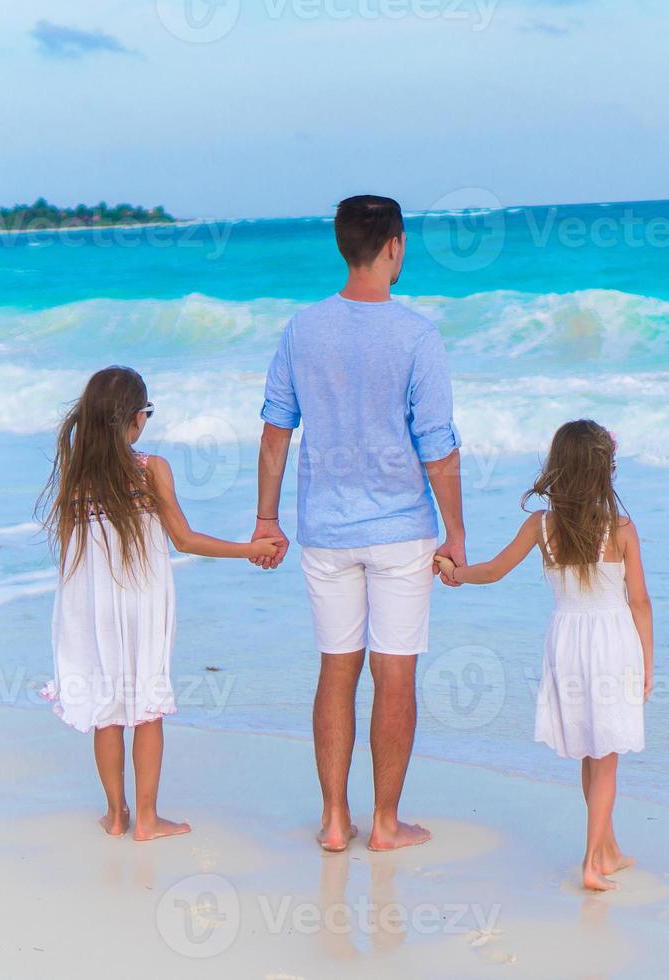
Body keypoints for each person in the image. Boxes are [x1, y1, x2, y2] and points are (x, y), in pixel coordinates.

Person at [252, 195, 465, 853]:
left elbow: (274, 431)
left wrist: (266, 518)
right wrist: (455, 533)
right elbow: (437, 444)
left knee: (336, 670)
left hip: (325, 529)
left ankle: (336, 820)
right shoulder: (417, 335)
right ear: (395, 246)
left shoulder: (302, 329)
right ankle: (386, 823)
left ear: (345, 246)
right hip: (401, 528)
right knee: (394, 673)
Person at [39, 366, 284, 840]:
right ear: (134, 418)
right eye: (146, 412)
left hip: (88, 605)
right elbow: (185, 540)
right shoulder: (150, 468)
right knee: (145, 706)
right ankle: (148, 820)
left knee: (106, 710)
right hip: (141, 602)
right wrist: (249, 549)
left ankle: (116, 816)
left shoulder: (74, 472)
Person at [434, 420, 653, 891]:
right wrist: (648, 665)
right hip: (612, 645)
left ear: (558, 468)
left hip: (567, 644)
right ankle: (592, 861)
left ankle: (608, 850)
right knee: (608, 757)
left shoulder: (541, 525)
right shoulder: (621, 529)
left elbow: (493, 571)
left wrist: (456, 572)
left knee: (590, 753)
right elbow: (640, 602)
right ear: (604, 471)